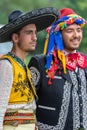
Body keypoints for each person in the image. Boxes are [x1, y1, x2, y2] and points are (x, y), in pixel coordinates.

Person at [0, 7, 59, 130]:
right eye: (28, 33)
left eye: (35, 33)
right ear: (15, 38)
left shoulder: (23, 66)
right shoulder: (7, 64)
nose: (35, 38)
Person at [28, 8, 87, 130]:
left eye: (79, 30)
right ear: (58, 34)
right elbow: (25, 102)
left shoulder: (84, 61)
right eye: (70, 31)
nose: (76, 35)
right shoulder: (41, 63)